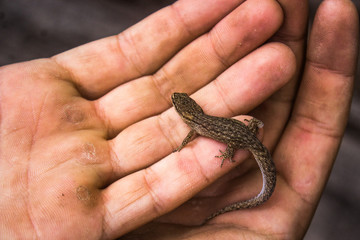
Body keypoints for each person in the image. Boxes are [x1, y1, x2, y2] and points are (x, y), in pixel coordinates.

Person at [0, 0, 358, 239]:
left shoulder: (196, 124)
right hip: (243, 134)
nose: (176, 103)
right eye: (178, 103)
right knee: (245, 136)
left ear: (186, 113)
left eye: (179, 104)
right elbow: (198, 134)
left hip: (241, 137)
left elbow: (195, 136)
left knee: (239, 142)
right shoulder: (198, 122)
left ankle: (242, 155)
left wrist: (226, 149)